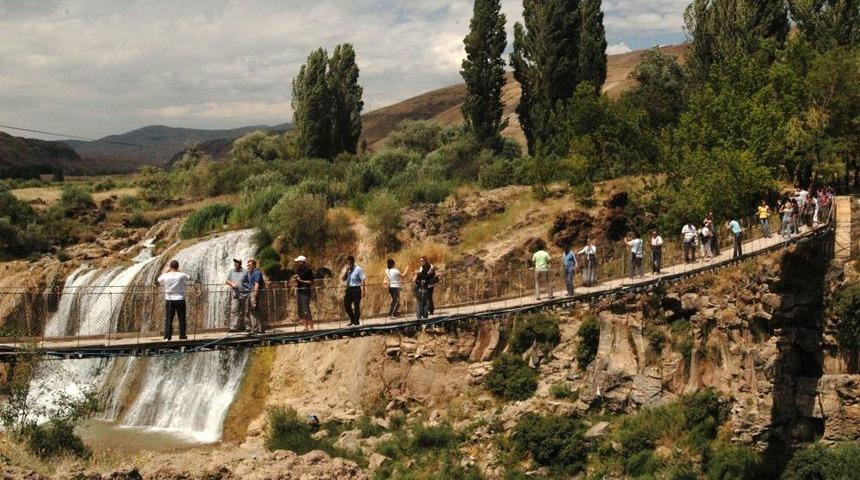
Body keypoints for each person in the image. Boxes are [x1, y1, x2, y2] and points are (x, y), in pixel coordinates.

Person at [157, 260, 191, 341]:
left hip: (169, 299)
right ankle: (182, 336)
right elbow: (189, 278)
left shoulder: (165, 275)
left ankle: (167, 337)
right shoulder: (181, 275)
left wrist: (167, 271)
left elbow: (158, 280)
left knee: (169, 318)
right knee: (182, 318)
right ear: (178, 267)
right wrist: (179, 271)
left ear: (170, 267)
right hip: (180, 299)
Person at [340, 255, 366, 326]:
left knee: (356, 305)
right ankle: (352, 319)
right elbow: (343, 279)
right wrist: (346, 271)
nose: (349, 264)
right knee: (346, 304)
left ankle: (356, 321)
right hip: (349, 289)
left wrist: (363, 290)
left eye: (350, 262)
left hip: (356, 288)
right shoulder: (348, 270)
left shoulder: (358, 269)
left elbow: (363, 279)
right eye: (347, 263)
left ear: (352, 262)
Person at [225, 258, 248, 332]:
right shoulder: (231, 271)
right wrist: (232, 284)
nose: (235, 263)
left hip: (245, 294)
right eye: (235, 262)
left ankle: (247, 327)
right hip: (235, 294)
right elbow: (227, 280)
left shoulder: (245, 271)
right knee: (234, 310)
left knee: (246, 310)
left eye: (237, 262)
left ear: (240, 263)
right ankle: (233, 327)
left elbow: (250, 281)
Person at [245, 259, 266, 334]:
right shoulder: (254, 273)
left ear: (254, 265)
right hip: (256, 293)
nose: (248, 266)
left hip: (255, 293)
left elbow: (256, 285)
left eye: (249, 265)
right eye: (248, 265)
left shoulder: (256, 273)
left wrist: (254, 296)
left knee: (253, 312)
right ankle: (261, 329)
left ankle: (255, 329)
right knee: (258, 311)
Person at [293, 255, 314, 331]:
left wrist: (300, 280)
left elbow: (311, 282)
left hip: (305, 291)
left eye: (299, 261)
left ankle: (311, 326)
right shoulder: (298, 270)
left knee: (306, 308)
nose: (297, 263)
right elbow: (298, 279)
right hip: (299, 290)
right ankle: (305, 326)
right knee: (301, 309)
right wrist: (296, 279)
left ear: (302, 262)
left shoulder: (308, 270)